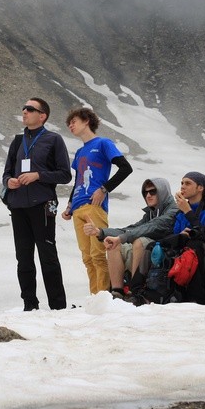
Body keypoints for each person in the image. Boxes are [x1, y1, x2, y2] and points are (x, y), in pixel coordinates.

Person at [2, 98, 72, 311]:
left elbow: (65, 175)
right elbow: (6, 172)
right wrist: (9, 182)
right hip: (18, 205)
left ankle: (58, 306)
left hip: (43, 204)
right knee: (23, 257)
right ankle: (29, 305)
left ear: (43, 116)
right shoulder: (17, 141)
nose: (24, 111)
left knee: (47, 254)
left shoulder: (54, 139)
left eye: (30, 109)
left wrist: (38, 175)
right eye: (23, 108)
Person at [61, 107, 133, 294]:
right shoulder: (79, 152)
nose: (70, 125)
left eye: (74, 121)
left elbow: (125, 168)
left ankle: (103, 296)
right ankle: (94, 297)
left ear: (86, 121)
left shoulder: (103, 143)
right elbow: (78, 179)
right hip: (77, 207)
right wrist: (69, 205)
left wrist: (104, 189)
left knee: (98, 254)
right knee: (87, 257)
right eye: (69, 123)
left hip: (94, 204)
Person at [133, 172, 205, 304]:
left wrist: (188, 212)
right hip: (189, 252)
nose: (183, 187)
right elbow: (172, 236)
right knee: (153, 246)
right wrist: (179, 236)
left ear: (200, 188)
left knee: (194, 244)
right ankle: (137, 291)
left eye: (188, 183)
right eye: (182, 183)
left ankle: (195, 297)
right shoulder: (181, 211)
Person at [82, 178, 178, 298]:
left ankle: (135, 291)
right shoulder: (150, 213)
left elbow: (151, 227)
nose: (148, 195)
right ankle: (117, 292)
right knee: (114, 244)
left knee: (140, 242)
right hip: (152, 252)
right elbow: (131, 229)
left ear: (162, 191)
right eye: (145, 193)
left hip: (168, 254)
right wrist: (100, 232)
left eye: (153, 191)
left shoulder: (173, 209)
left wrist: (122, 237)